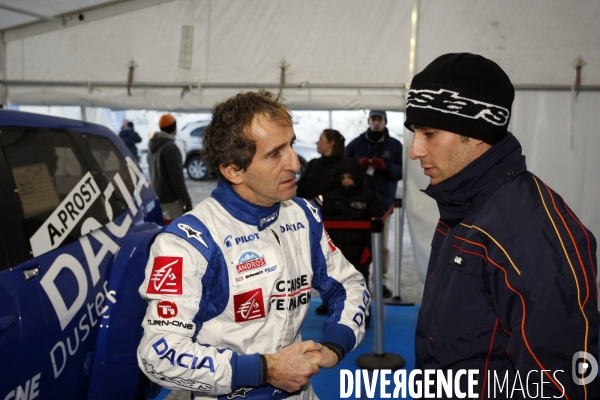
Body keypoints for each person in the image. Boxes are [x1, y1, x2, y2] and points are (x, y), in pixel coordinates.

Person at [137, 90, 369, 400]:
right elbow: (157, 355)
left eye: (291, 144)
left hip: (299, 393)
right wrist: (266, 369)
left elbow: (349, 286)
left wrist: (334, 345)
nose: (296, 163)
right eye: (276, 153)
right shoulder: (187, 243)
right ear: (233, 168)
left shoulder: (302, 215)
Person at [405, 53, 599, 398]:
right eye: (414, 132)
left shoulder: (529, 232)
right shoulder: (463, 205)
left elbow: (559, 382)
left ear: (478, 132)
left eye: (429, 133)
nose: (415, 150)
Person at [346, 110, 403, 298]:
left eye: (379, 119)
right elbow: (343, 170)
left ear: (385, 121)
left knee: (382, 246)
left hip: (383, 203)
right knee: (356, 245)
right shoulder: (356, 143)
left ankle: (380, 282)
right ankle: (356, 282)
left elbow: (402, 171)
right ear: (369, 121)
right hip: (357, 204)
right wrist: (356, 166)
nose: (376, 122)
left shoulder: (395, 145)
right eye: (373, 119)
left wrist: (385, 166)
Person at [317, 158, 384, 318]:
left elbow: (376, 225)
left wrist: (370, 248)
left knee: (359, 281)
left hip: (359, 249)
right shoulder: (330, 197)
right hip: (336, 248)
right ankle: (330, 305)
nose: (347, 182)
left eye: (350, 178)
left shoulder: (370, 197)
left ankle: (363, 312)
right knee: (333, 279)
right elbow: (322, 223)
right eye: (343, 178)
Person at [147, 113, 192, 220]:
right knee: (176, 232)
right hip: (172, 201)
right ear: (174, 128)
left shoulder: (153, 146)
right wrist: (186, 201)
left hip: (159, 198)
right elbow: (177, 178)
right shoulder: (170, 148)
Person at [296, 129, 345, 204]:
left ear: (331, 143)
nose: (317, 142)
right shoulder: (313, 164)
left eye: (321, 139)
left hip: (333, 213)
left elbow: (343, 192)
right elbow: (301, 189)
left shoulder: (345, 165)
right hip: (308, 211)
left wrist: (321, 200)